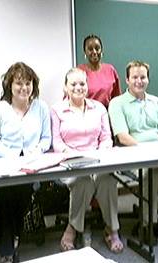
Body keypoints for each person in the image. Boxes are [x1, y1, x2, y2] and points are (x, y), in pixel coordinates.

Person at [0, 62, 51, 262]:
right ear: (9, 85)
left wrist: (33, 153)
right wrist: (16, 159)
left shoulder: (41, 107)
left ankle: (10, 244)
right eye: (19, 83)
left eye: (28, 83)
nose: (24, 88)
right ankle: (8, 252)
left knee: (21, 191)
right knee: (2, 193)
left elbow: (46, 140)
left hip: (29, 166)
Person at [51, 68, 123, 253]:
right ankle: (72, 228)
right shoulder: (57, 110)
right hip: (70, 162)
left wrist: (99, 154)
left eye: (82, 83)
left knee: (107, 179)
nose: (78, 87)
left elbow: (107, 137)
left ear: (87, 86)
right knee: (83, 181)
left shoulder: (98, 108)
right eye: (73, 84)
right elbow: (57, 143)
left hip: (97, 160)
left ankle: (112, 228)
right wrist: (74, 156)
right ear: (66, 87)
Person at [108, 60, 158, 243]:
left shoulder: (157, 102)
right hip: (132, 157)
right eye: (134, 77)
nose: (139, 81)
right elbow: (122, 137)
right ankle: (147, 224)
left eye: (143, 77)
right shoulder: (117, 103)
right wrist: (148, 153)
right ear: (127, 79)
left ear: (148, 80)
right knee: (153, 175)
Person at [77, 34, 121, 108]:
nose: (94, 52)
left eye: (97, 48)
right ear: (85, 52)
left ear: (101, 50)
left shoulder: (110, 70)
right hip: (86, 114)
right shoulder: (79, 71)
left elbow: (117, 98)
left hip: (107, 114)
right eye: (90, 49)